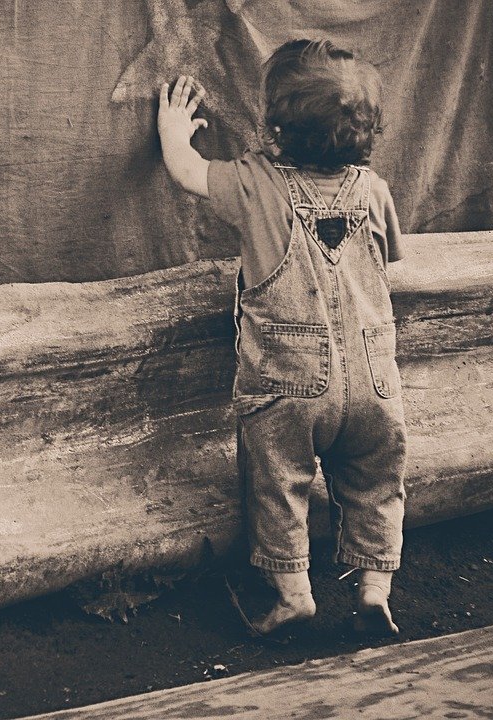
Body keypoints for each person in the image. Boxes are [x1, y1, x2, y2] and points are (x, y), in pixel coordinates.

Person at [157, 39, 406, 636]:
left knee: (278, 482)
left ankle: (294, 595)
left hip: (289, 382)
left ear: (274, 127)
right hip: (374, 380)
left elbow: (187, 171)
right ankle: (374, 590)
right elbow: (389, 261)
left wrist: (173, 129)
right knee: (377, 481)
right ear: (367, 131)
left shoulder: (256, 185)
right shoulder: (373, 191)